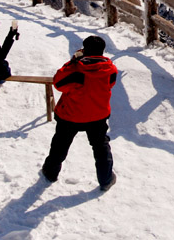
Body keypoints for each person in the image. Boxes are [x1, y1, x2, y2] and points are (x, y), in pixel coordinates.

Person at [41, 35, 118, 191]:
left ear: (84, 50)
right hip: (98, 115)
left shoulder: (76, 70)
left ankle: (50, 173)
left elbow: (58, 83)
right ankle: (106, 179)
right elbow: (110, 84)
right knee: (101, 147)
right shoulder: (110, 69)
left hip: (71, 115)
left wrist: (72, 61)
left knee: (60, 144)